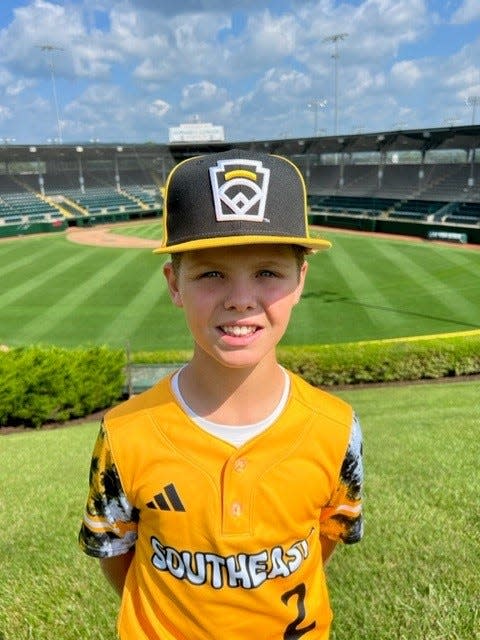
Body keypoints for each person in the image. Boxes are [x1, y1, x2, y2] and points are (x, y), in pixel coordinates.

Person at [79, 148, 364, 640]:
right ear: (175, 283)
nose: (239, 299)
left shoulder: (337, 427)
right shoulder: (124, 433)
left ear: (301, 280)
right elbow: (116, 558)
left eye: (268, 272)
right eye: (211, 273)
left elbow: (325, 540)